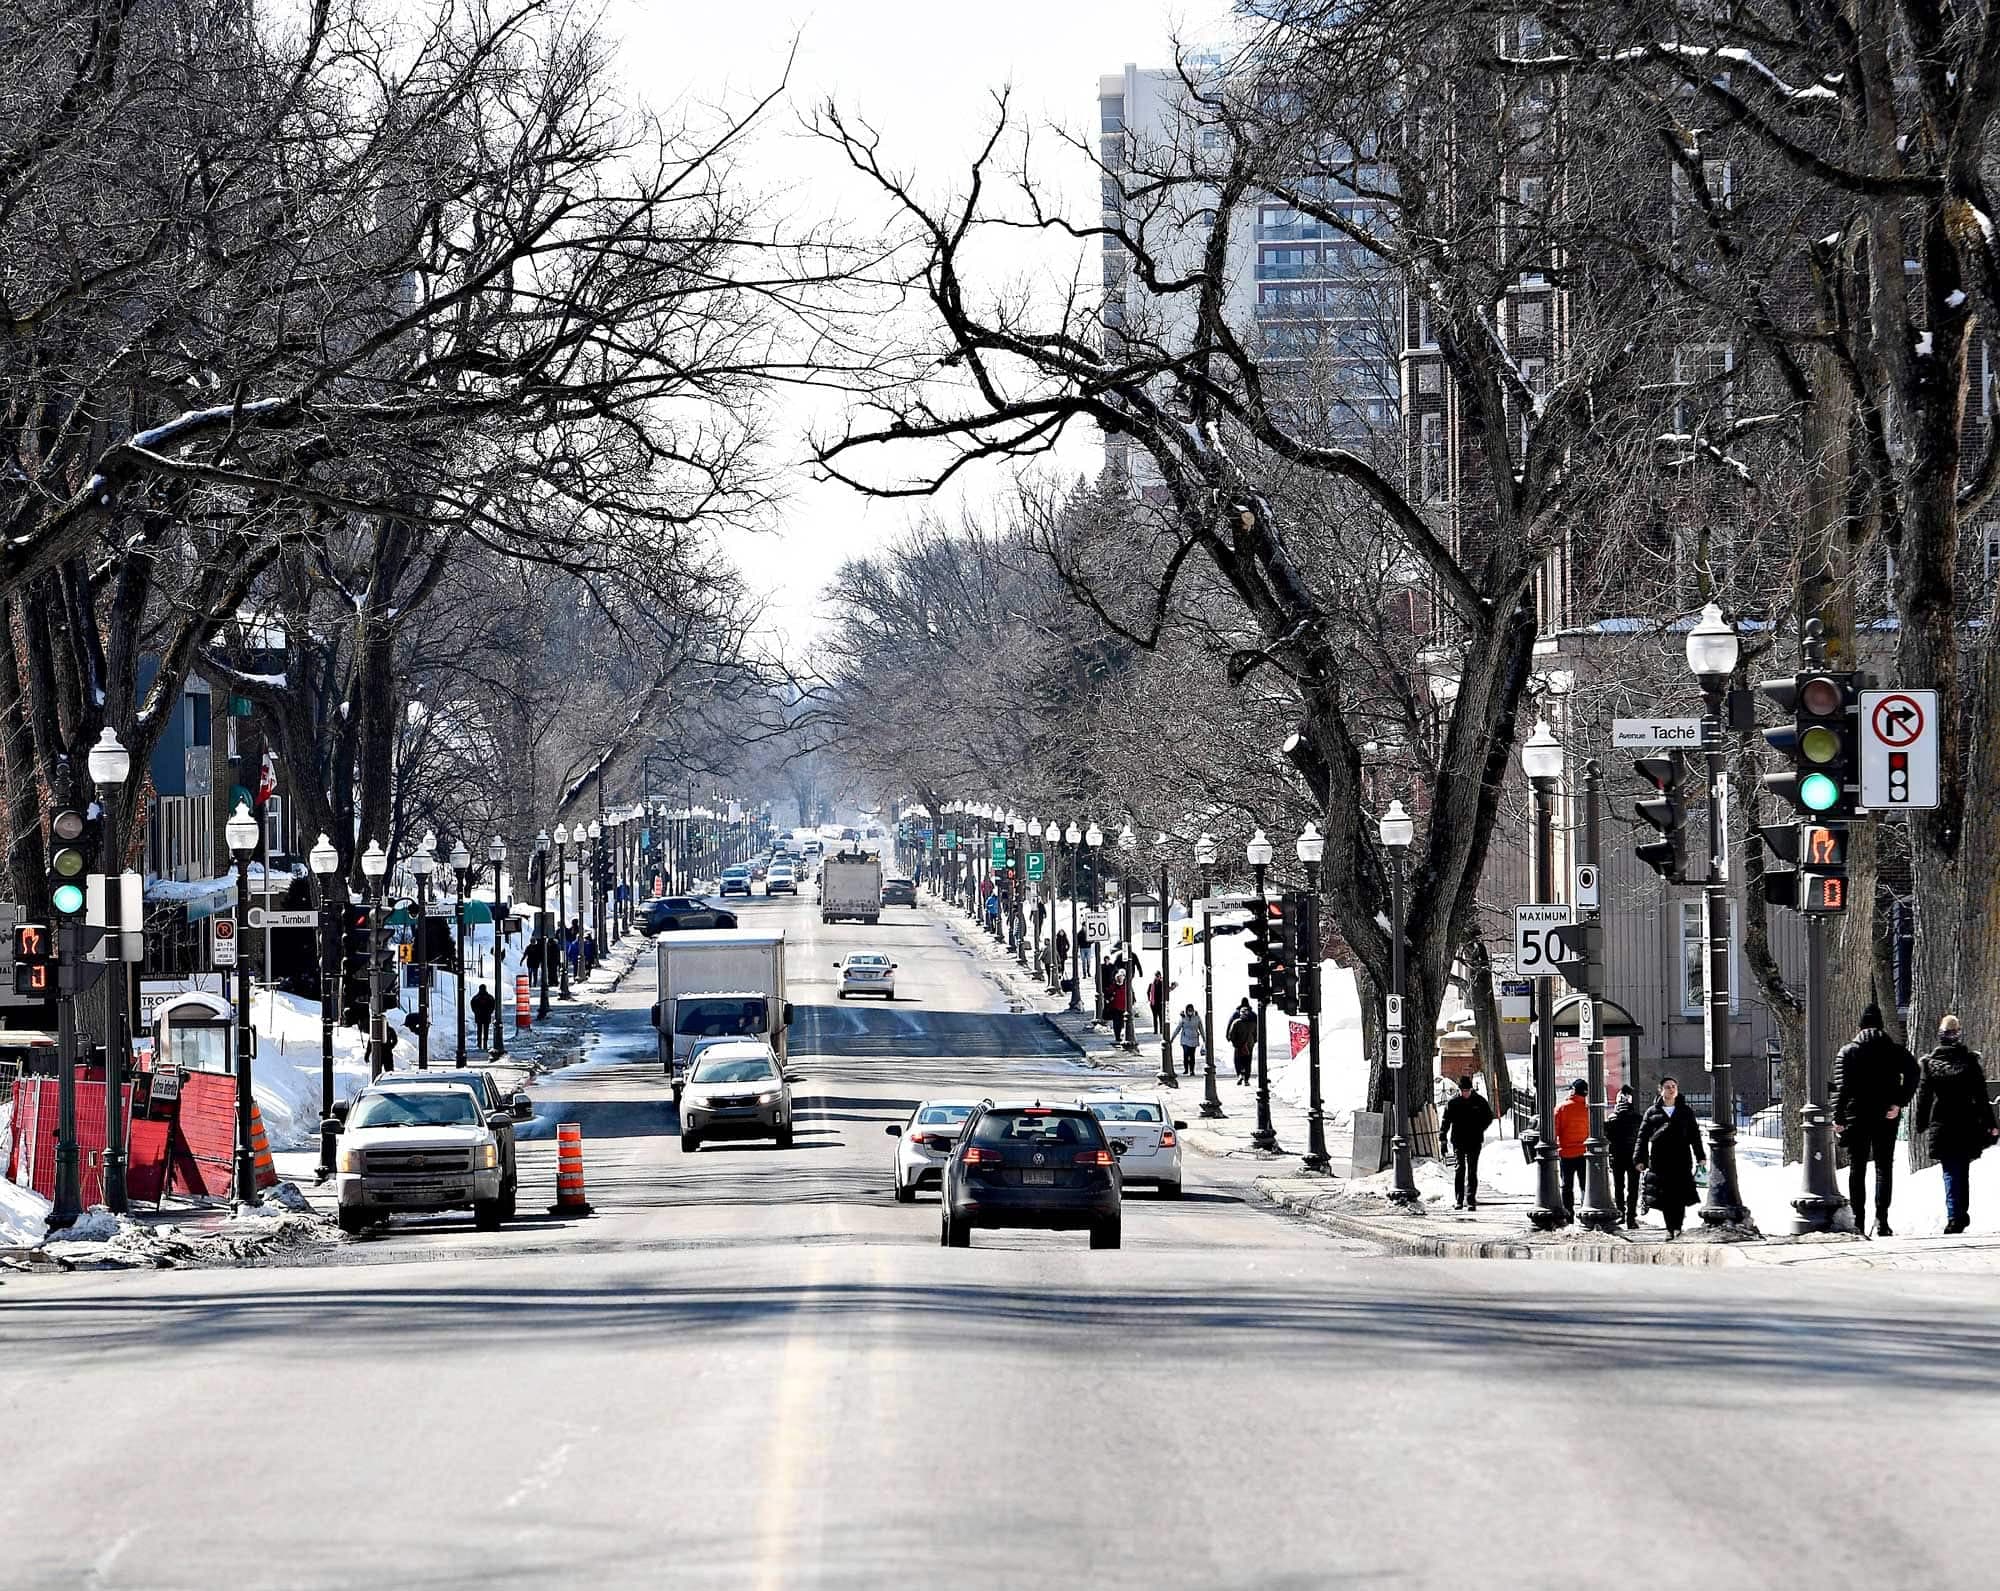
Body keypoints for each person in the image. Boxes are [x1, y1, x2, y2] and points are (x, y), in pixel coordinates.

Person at [1832, 1000, 1920, 1237]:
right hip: (1885, 1114)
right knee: (1883, 1167)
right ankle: (1882, 1219)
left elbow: (1842, 1088)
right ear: (1881, 1027)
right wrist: (1899, 1102)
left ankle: (1858, 1220)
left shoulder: (1848, 1052)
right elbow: (1914, 1072)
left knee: (1857, 1167)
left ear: (1860, 1027)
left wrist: (1838, 1116)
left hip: (1856, 1115)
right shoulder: (1894, 1050)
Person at [1912, 1014, 1999, 1234]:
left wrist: (1921, 1122)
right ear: (1958, 1035)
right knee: (1962, 1169)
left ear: (1940, 1036)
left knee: (1950, 1170)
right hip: (1966, 1121)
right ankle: (1960, 1213)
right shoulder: (1969, 1062)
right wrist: (1991, 1123)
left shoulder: (1930, 1064)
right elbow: (1981, 1096)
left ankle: (1954, 1216)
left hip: (1942, 1122)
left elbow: (1924, 1097)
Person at [1636, 1076, 1706, 1238]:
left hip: (1682, 1158)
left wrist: (1700, 1156)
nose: (1671, 1089)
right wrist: (1640, 1159)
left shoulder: (1685, 1111)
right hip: (1660, 1160)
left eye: (1674, 1086)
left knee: (1679, 1195)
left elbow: (1694, 1135)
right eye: (1667, 1087)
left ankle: (1677, 1227)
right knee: (1665, 1195)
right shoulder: (1652, 1112)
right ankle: (1669, 1228)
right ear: (1660, 1090)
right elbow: (1642, 1137)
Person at [1439, 1074, 1494, 1210]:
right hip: (1458, 1140)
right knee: (1460, 1169)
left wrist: (1480, 1128)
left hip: (1474, 1140)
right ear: (1459, 1090)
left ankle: (1471, 1200)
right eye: (1463, 1091)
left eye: (1467, 1090)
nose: (1465, 1093)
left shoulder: (1479, 1101)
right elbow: (1446, 1122)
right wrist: (1443, 1139)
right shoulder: (1453, 1103)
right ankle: (1459, 1199)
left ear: (1471, 1090)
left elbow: (1488, 1117)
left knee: (1472, 1170)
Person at [1604, 1083, 1643, 1228]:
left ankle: (1620, 1214)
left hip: (1617, 1156)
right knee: (1633, 1188)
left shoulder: (1612, 1119)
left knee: (1618, 1186)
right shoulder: (1638, 1119)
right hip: (1634, 1157)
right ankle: (1631, 1218)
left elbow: (1606, 1138)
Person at [1555, 1078, 1590, 1216]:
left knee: (1566, 1185)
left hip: (1566, 1153)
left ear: (1573, 1090)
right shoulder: (1588, 1110)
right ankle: (1585, 1209)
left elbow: (1554, 1131)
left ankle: (1568, 1213)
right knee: (1585, 1184)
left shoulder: (1562, 1108)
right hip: (1584, 1153)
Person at [1226, 998, 1257, 1084]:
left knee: (1238, 1060)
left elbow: (1230, 1026)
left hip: (1238, 1042)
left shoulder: (1236, 1014)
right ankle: (1246, 1078)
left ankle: (1240, 1074)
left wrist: (1230, 1038)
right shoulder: (1253, 1015)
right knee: (1248, 1060)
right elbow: (1257, 1029)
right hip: (1249, 1043)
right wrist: (1254, 1040)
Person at [1175, 1002, 1203, 1076]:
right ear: (1186, 1011)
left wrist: (1204, 1039)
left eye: (1191, 1010)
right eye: (1188, 1010)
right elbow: (1178, 1029)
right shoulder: (1183, 1018)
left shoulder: (1197, 1018)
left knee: (1192, 1056)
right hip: (1185, 1039)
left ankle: (1192, 1071)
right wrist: (1172, 1038)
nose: (1190, 1012)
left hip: (1194, 1039)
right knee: (1186, 1055)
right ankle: (1186, 1069)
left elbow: (1201, 1029)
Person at [469, 982, 497, 1050]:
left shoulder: (476, 998)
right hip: (486, 1016)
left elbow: (472, 1005)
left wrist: (476, 1012)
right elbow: (493, 1005)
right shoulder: (489, 997)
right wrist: (490, 1012)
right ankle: (485, 1043)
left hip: (479, 1016)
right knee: (486, 1030)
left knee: (479, 1030)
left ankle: (479, 1043)